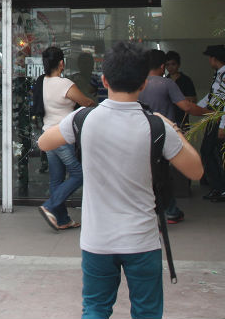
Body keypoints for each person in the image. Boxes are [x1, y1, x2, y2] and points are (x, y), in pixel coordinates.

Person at [38, 41, 203, 319]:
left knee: (95, 310)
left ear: (104, 80)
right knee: (147, 312)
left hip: (97, 241)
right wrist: (172, 126)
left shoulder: (83, 119)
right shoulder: (156, 125)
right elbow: (196, 171)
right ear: (144, 83)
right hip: (142, 241)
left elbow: (44, 142)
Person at [138, 50, 210, 224]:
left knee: (150, 173)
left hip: (141, 133)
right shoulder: (167, 83)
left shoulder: (138, 84)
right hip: (162, 134)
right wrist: (209, 112)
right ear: (162, 66)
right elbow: (186, 106)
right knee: (163, 174)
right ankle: (170, 211)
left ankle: (160, 210)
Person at [38, 45, 96, 231]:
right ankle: (50, 205)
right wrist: (93, 101)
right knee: (80, 174)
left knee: (56, 179)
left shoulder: (42, 82)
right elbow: (86, 102)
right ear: (61, 63)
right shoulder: (65, 84)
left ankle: (62, 219)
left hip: (48, 136)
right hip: (62, 136)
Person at [198, 44, 225, 203]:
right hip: (215, 116)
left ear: (214, 59)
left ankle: (224, 189)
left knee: (215, 153)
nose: (209, 61)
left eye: (210, 58)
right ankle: (218, 188)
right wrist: (197, 107)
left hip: (220, 118)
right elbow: (212, 96)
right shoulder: (220, 74)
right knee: (212, 153)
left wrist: (223, 126)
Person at [163, 51, 196, 127]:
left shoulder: (186, 80)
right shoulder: (164, 81)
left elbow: (193, 99)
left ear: (178, 65)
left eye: (173, 64)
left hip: (182, 119)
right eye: (167, 65)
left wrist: (176, 99)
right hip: (167, 119)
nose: (170, 67)